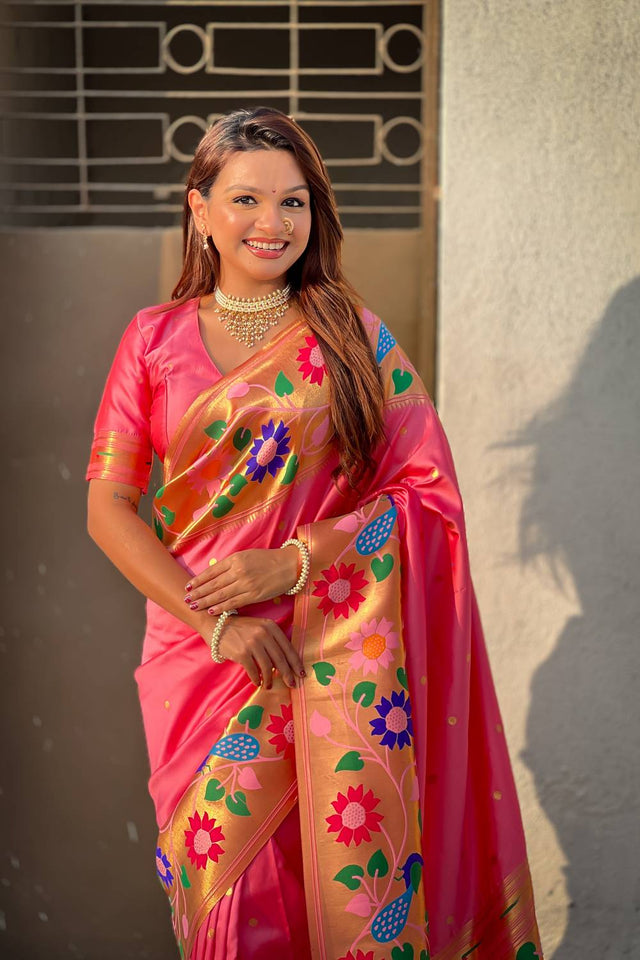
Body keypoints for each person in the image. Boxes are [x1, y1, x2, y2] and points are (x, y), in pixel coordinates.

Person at [86, 106, 543, 960]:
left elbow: (428, 496)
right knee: (230, 903)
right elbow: (107, 507)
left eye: (293, 201)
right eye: (246, 199)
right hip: (201, 657)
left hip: (330, 652)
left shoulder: (352, 337)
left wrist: (295, 563)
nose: (273, 222)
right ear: (200, 208)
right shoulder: (152, 340)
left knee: (334, 887)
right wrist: (217, 622)